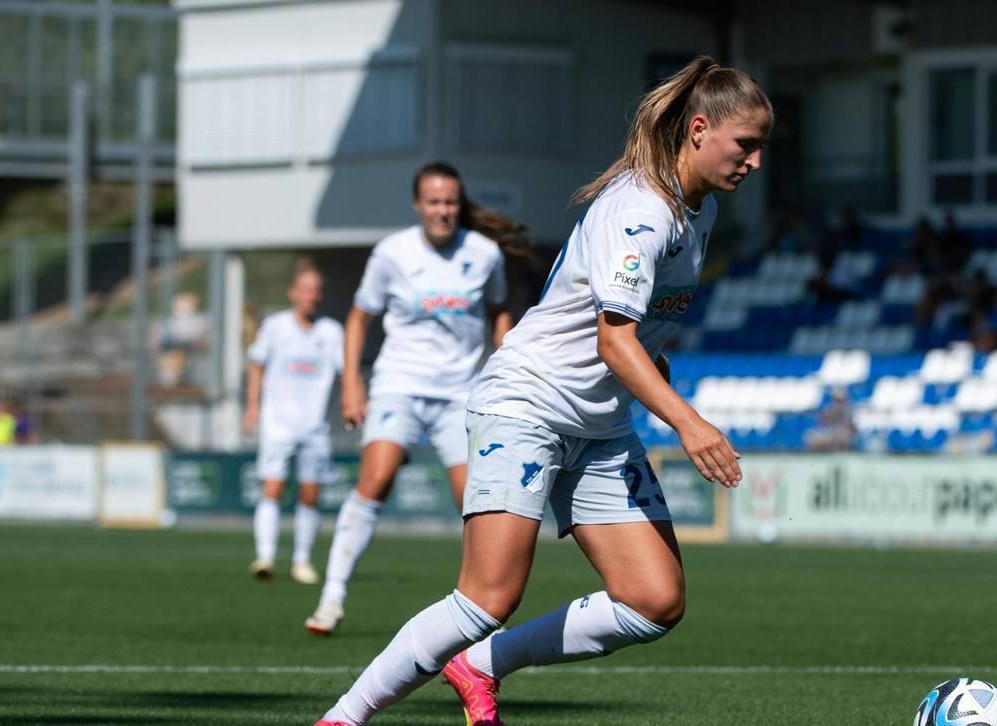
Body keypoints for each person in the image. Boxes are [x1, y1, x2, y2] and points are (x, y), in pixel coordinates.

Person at [312, 55, 769, 726]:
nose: (755, 162)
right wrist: (689, 424)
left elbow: (634, 338)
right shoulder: (640, 210)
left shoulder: (696, 212)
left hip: (601, 425)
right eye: (746, 145)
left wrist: (657, 379)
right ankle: (342, 718)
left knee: (654, 599)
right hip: (527, 403)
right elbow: (614, 341)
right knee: (487, 597)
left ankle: (483, 666)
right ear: (699, 130)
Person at [303, 161, 521, 635]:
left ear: (458, 205)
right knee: (377, 477)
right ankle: (331, 598)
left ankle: (481, 609)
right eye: (434, 202)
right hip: (398, 384)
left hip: (460, 391)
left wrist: (501, 365)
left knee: (475, 501)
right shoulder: (391, 253)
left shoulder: (484, 253)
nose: (442, 211)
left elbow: (499, 310)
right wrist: (352, 384)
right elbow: (359, 318)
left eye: (450, 203)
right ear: (417, 205)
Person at [244, 263, 344, 583]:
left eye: (315, 290)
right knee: (272, 488)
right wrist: (252, 407)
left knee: (310, 495)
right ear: (292, 293)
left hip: (314, 426)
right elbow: (257, 365)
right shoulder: (274, 326)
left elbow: (345, 372)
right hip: (278, 423)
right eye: (305, 289)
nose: (310, 296)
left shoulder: (331, 332)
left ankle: (302, 561)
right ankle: (265, 557)